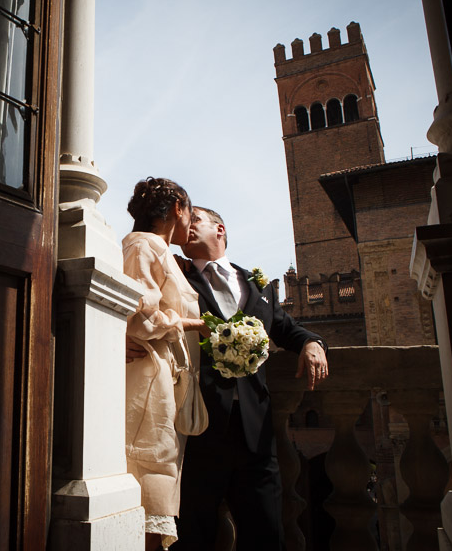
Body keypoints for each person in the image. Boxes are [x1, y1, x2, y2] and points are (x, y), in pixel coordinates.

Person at [129, 206, 329, 550]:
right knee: (193, 536)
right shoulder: (175, 277)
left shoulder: (256, 284)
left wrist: (313, 343)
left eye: (195, 220)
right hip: (197, 429)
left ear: (219, 230)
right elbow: (140, 312)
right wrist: (123, 337)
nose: (185, 226)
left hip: (257, 433)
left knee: (266, 533)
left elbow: (284, 328)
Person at [122, 178, 211, 551]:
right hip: (149, 382)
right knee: (147, 491)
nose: (191, 222)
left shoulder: (158, 249)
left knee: (159, 488)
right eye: (190, 212)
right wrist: (192, 323)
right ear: (177, 207)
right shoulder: (144, 245)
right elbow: (140, 317)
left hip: (165, 383)